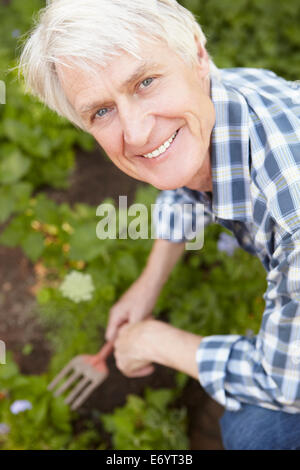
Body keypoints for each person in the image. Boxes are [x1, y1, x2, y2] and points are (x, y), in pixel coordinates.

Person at [19, 0, 300, 450]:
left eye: (144, 82)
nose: (136, 132)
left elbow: (286, 383)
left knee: (254, 432)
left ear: (196, 53)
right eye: (101, 112)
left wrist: (155, 342)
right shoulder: (220, 98)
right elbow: (182, 176)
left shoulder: (293, 209)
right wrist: (149, 283)